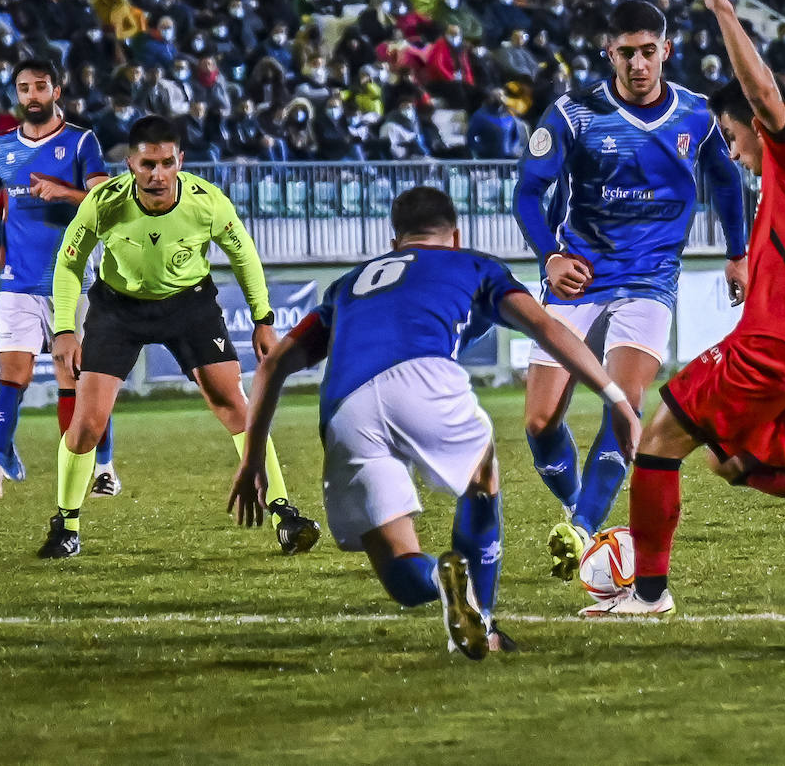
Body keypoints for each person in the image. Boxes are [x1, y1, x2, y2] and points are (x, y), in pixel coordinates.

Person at [228, 186, 642, 658]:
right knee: (482, 478)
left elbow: (272, 365)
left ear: (394, 241)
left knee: (401, 574)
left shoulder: (347, 285)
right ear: (456, 235)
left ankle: (441, 582)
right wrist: (614, 398)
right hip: (423, 376)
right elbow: (547, 328)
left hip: (345, 408)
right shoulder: (471, 264)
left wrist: (253, 457)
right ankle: (481, 624)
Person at [582, 0, 785, 617]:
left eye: (734, 133)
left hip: (771, 345)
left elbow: (762, 93)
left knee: (657, 441)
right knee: (734, 464)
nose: (732, 146)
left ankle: (647, 594)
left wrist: (722, 8)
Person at [513, 0, 748, 580]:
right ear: (608, 53)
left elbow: (726, 179)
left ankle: (583, 528)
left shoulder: (696, 115)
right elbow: (526, 194)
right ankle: (577, 507)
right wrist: (551, 257)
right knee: (539, 423)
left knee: (624, 404)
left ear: (666, 50)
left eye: (649, 51)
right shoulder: (574, 115)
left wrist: (738, 254)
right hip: (578, 280)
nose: (639, 64)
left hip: (648, 282)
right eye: (627, 53)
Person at [39, 115, 319, 558]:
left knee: (234, 405)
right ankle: (66, 525)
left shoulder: (207, 202)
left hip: (189, 305)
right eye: (147, 163)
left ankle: (284, 512)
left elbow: (244, 256)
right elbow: (69, 264)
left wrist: (263, 319)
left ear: (179, 161)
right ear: (130, 164)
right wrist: (65, 329)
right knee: (89, 423)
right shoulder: (102, 203)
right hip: (118, 308)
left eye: (166, 163)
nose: (157, 174)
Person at [0, 59, 120, 501]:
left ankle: (101, 467)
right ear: (17, 95)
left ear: (56, 92)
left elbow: (106, 202)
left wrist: (63, 193)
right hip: (17, 283)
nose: (32, 96)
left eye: (40, 87)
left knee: (78, 378)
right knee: (12, 376)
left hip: (74, 281)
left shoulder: (81, 142)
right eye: (24, 88)